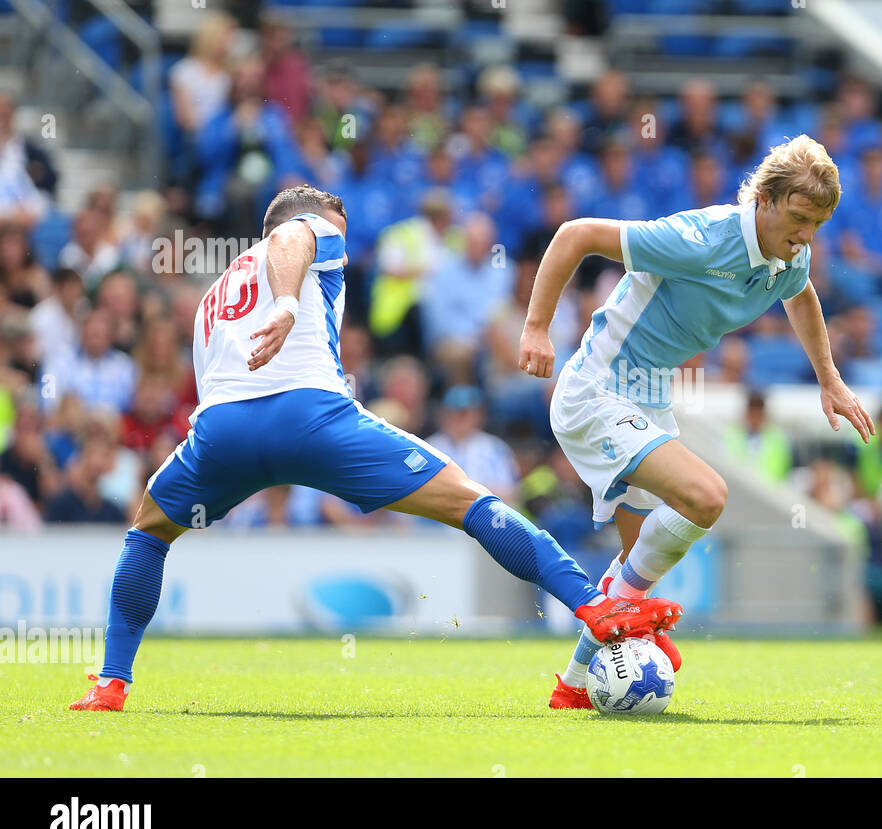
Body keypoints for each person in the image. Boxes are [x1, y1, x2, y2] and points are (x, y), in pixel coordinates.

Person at [69, 185, 682, 712]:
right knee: (470, 501)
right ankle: (594, 606)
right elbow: (292, 240)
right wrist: (288, 301)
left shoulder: (214, 295)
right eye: (337, 231)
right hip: (311, 414)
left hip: (223, 432)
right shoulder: (305, 232)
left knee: (148, 531)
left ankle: (112, 683)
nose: (341, 244)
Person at [518, 135, 874, 709]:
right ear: (764, 199)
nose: (806, 236)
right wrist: (537, 327)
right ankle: (624, 609)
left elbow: (801, 296)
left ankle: (574, 685)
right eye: (799, 218)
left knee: (637, 568)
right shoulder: (703, 238)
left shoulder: (789, 257)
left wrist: (830, 380)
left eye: (818, 224)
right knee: (705, 497)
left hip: (651, 398)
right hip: (598, 389)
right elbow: (575, 234)